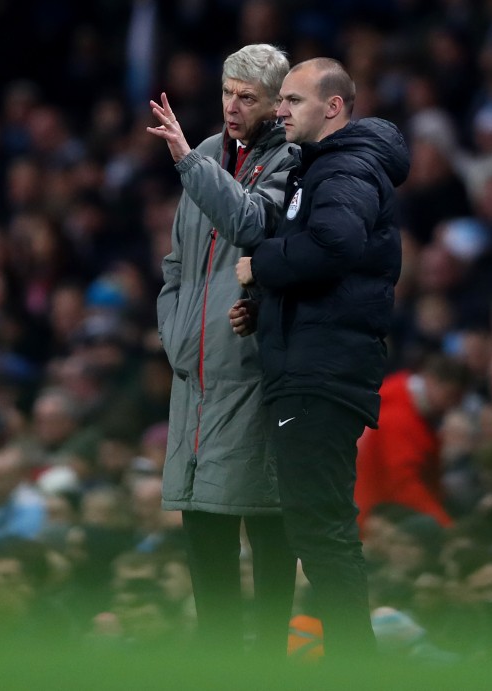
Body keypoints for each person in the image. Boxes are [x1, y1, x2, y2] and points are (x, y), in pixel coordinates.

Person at [234, 57, 411, 658]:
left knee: (322, 528)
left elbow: (337, 244)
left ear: (332, 107)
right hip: (316, 362)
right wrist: (266, 304)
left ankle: (355, 664)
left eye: (291, 100)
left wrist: (261, 267)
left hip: (320, 372)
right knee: (317, 525)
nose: (278, 111)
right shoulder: (329, 167)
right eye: (279, 100)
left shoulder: (344, 167)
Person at [149, 43, 298, 656]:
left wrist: (187, 161)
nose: (231, 107)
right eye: (226, 93)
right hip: (195, 383)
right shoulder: (209, 155)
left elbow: (252, 225)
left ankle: (267, 667)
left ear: (276, 104)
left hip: (251, 377)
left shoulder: (293, 161)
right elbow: (177, 264)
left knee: (267, 533)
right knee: (204, 546)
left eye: (247, 98)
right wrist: (174, 332)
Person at [354, 355, 472, 531]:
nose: (453, 405)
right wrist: (445, 525)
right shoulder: (399, 419)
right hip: (375, 519)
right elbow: (403, 484)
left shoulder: (400, 400)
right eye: (450, 395)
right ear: (431, 381)